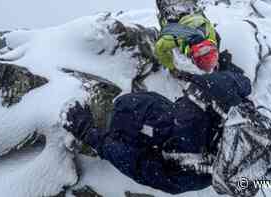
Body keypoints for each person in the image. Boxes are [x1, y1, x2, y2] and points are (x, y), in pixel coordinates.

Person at [63, 63, 252, 194]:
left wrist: (88, 133)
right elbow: (242, 83)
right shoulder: (226, 106)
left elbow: (134, 163)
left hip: (124, 125)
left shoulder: (192, 171)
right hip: (143, 108)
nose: (189, 94)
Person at [154, 0, 221, 79]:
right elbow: (159, 49)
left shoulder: (210, 33)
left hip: (190, 9)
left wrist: (213, 61)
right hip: (170, 8)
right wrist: (172, 67)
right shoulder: (175, 38)